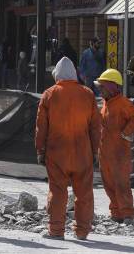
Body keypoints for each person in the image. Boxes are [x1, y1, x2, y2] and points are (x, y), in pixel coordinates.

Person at [35, 56, 101, 241]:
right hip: (83, 153)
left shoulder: (49, 94)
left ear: (57, 76)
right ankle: (82, 231)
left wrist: (40, 150)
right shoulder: (88, 94)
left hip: (57, 153)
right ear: (75, 74)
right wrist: (95, 151)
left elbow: (41, 127)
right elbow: (96, 127)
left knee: (57, 191)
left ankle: (56, 231)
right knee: (84, 193)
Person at [95, 69, 134, 226]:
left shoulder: (123, 103)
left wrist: (125, 132)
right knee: (108, 183)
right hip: (105, 153)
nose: (100, 90)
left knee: (121, 184)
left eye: (102, 87)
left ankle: (128, 214)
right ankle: (116, 213)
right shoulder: (105, 104)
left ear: (111, 87)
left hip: (120, 153)